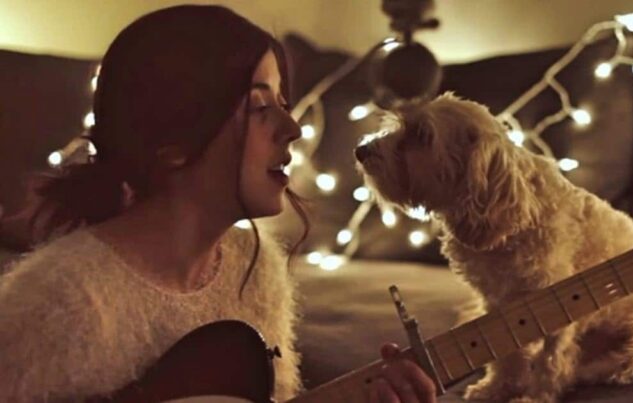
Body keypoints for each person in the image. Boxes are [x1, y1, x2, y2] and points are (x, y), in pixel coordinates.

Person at [0, 5, 437, 403]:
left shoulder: (257, 264)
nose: (292, 129)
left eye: (284, 104)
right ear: (172, 142)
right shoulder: (59, 304)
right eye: (259, 106)